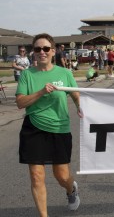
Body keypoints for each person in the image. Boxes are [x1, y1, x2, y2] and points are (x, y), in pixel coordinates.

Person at [15, 33, 81, 217]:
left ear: (53, 51)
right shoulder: (27, 75)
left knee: (62, 176)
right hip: (33, 128)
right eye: (37, 49)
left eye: (45, 49)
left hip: (59, 128)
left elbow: (75, 94)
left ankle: (71, 190)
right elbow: (20, 103)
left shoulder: (65, 73)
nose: (41, 52)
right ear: (33, 53)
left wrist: (79, 107)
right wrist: (41, 92)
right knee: (37, 176)